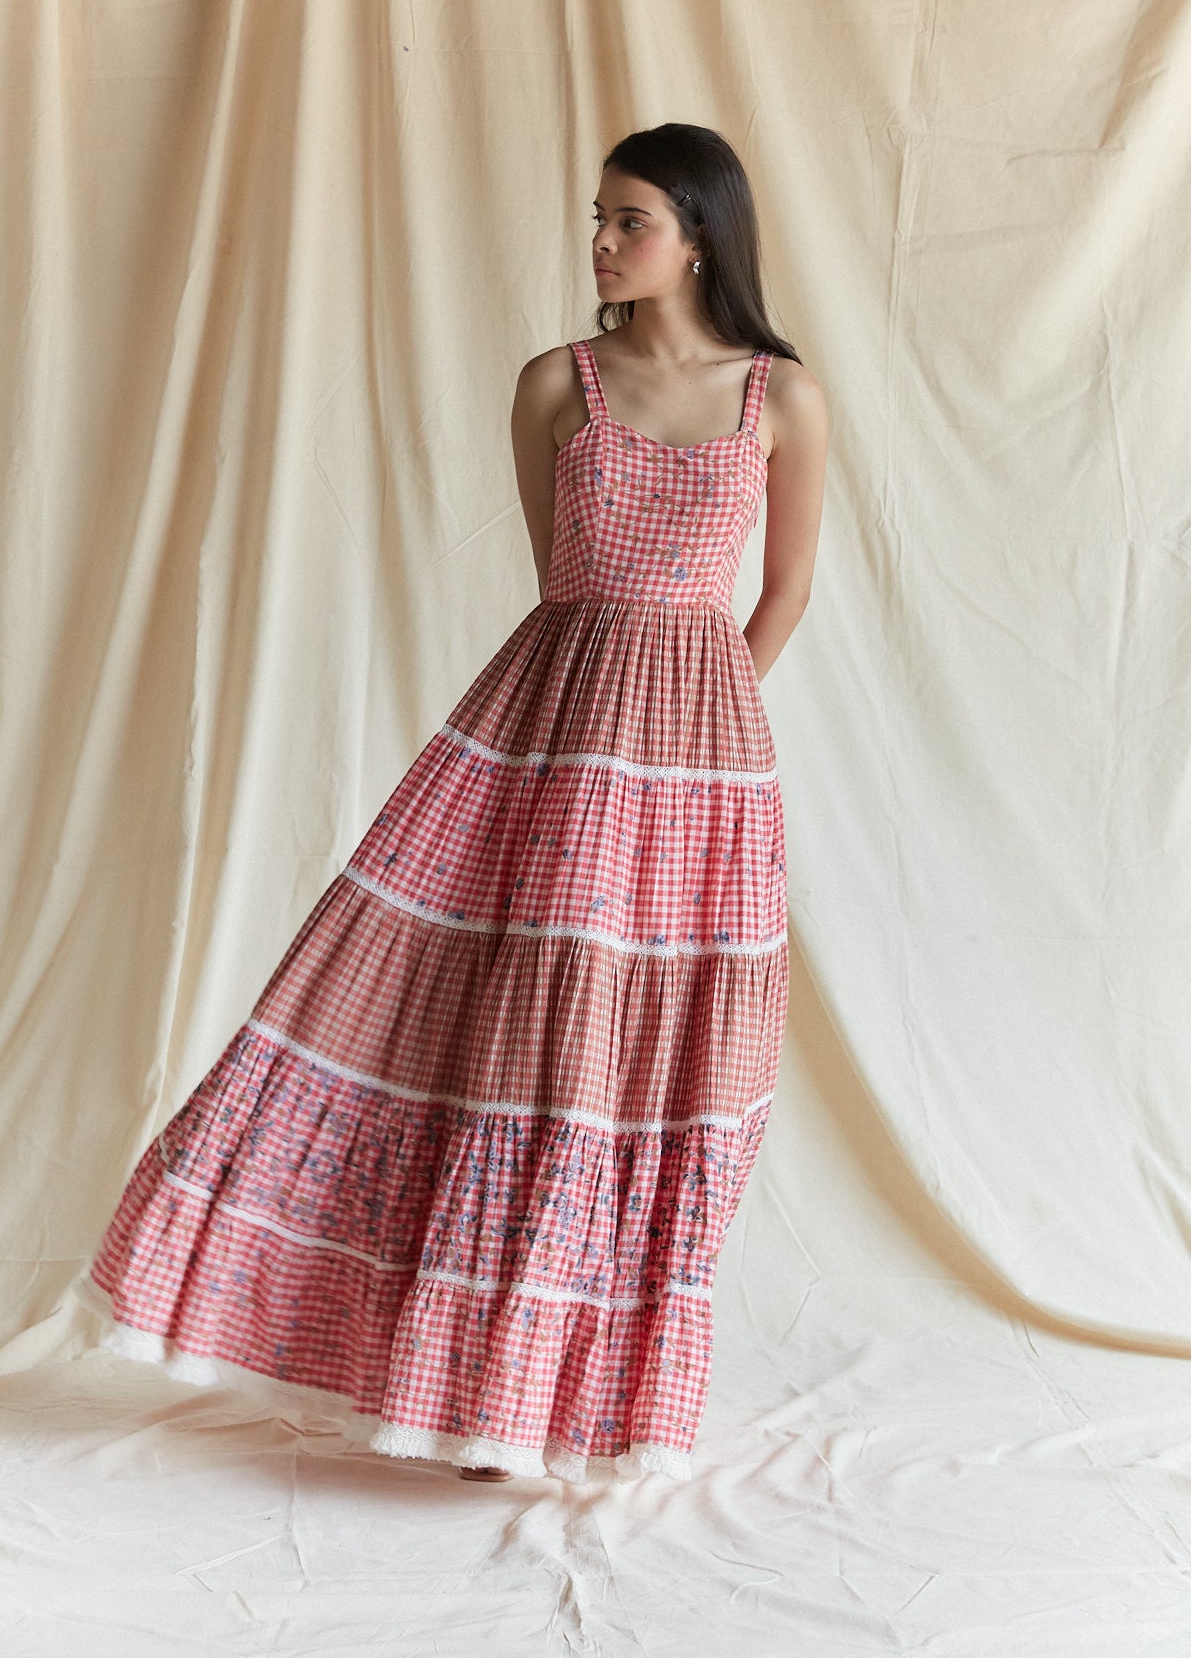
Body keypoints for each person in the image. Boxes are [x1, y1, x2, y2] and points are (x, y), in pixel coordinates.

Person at [75, 121, 828, 1485]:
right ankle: (453, 1376)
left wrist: (704, 729)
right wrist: (614, 712)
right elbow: (566, 583)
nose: (600, 243)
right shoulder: (559, 384)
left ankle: (575, 1386)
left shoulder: (779, 396)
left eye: (629, 220)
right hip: (543, 733)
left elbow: (780, 592)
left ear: (702, 235)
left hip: (702, 772)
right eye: (596, 217)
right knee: (489, 1022)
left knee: (656, 1059)